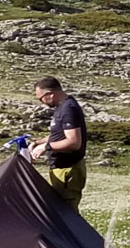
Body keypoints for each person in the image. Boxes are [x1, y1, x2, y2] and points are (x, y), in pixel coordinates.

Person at [27, 77, 88, 208]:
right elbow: (60, 135)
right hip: (60, 168)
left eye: (41, 98)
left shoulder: (68, 109)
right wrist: (38, 142)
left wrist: (46, 147)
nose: (41, 102)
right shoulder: (62, 107)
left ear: (50, 94)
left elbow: (73, 142)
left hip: (67, 170)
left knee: (66, 214)